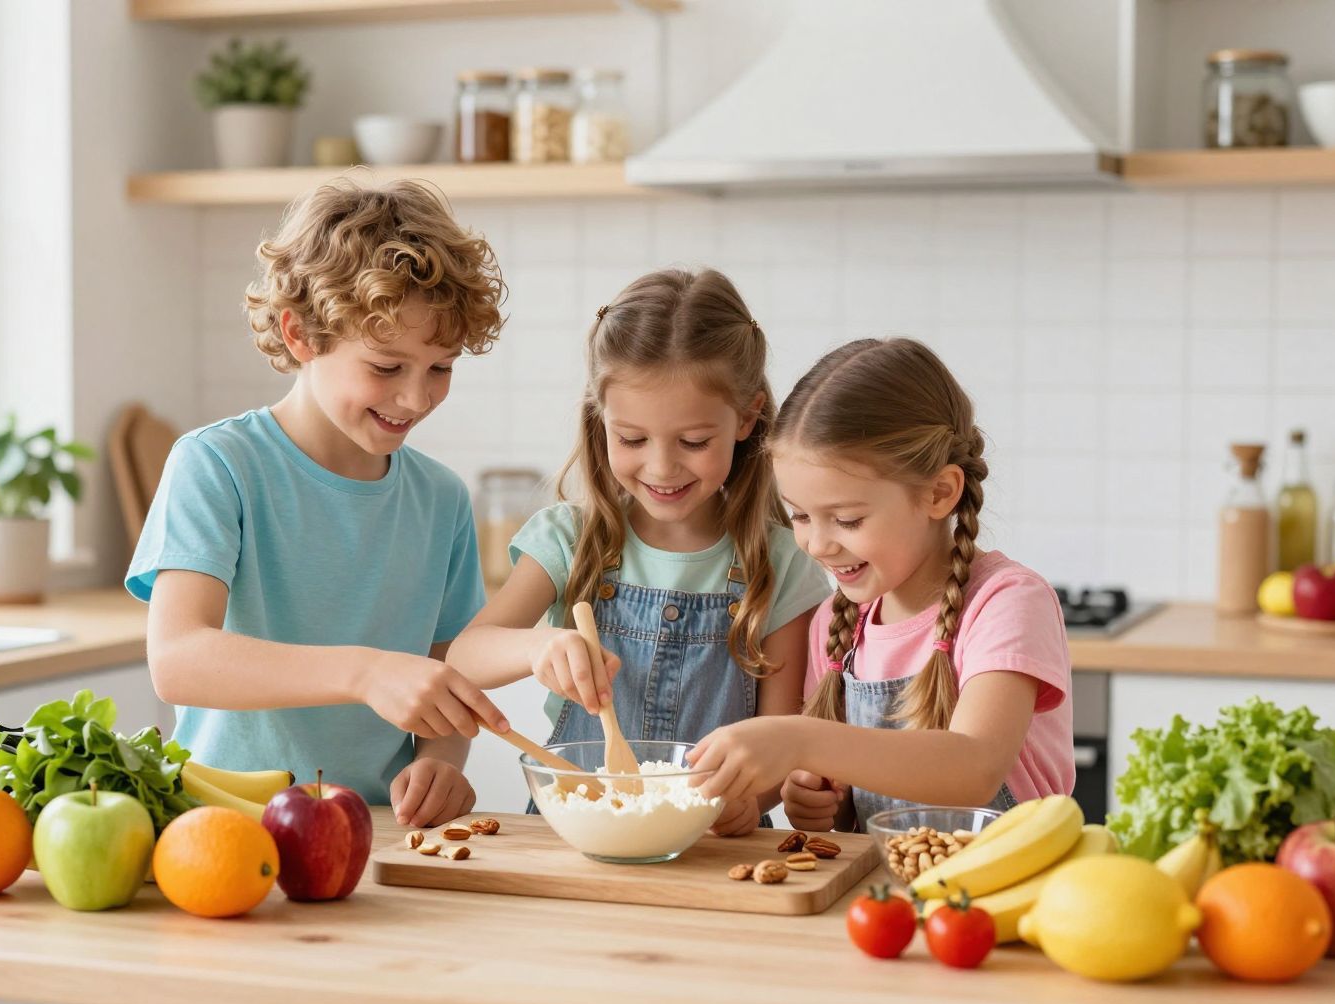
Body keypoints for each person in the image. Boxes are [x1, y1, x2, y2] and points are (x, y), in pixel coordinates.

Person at [126, 179, 509, 828]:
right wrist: (364, 673)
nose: (416, 399)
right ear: (300, 333)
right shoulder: (218, 465)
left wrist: (441, 762)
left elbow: (444, 677)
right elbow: (178, 660)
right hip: (222, 829)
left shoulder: (441, 499)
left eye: (440, 368)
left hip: (374, 832)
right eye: (386, 367)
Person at [447, 268, 831, 836]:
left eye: (694, 442)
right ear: (600, 418)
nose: (661, 467)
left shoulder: (782, 562)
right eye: (632, 438)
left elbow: (782, 738)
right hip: (577, 833)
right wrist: (539, 647)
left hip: (714, 841)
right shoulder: (569, 539)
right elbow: (463, 658)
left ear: (747, 419)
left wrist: (750, 800)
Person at [687, 337, 1075, 832]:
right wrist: (817, 800)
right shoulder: (836, 623)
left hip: (1006, 878)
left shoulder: (1006, 603)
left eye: (847, 520)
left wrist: (802, 740)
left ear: (939, 493)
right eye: (800, 516)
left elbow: (974, 768)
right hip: (883, 880)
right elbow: (853, 792)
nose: (817, 544)